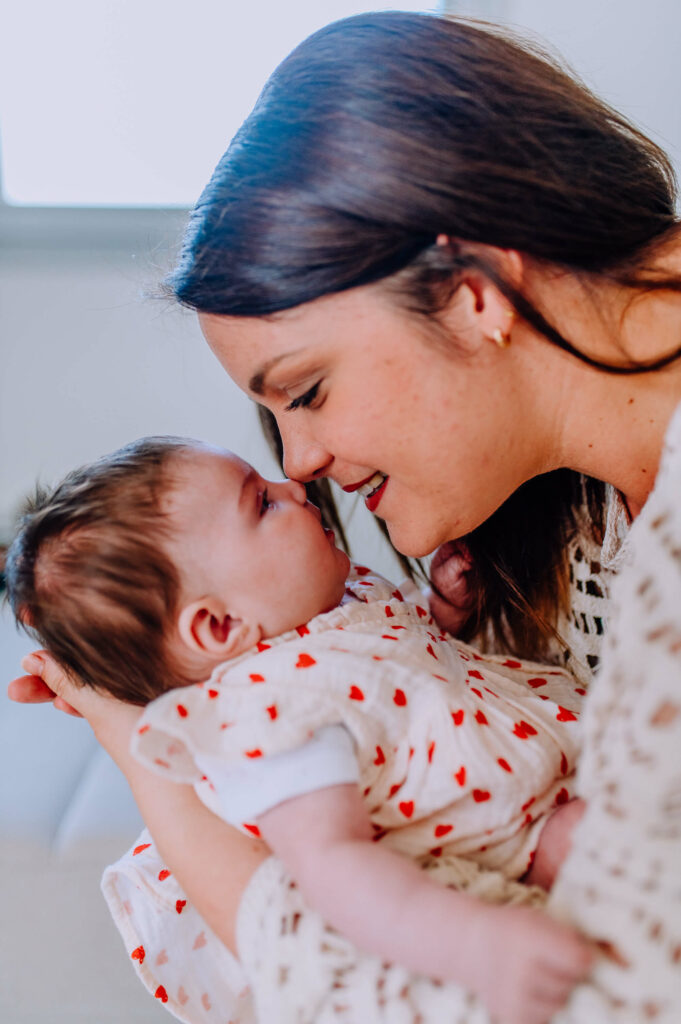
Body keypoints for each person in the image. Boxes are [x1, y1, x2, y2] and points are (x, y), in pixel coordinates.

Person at [9, 10, 681, 1023]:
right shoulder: (566, 521)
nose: (302, 464)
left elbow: (584, 1002)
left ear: (469, 292)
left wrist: (129, 738)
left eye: (308, 390)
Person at [6, 435, 591, 1024]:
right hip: (515, 847)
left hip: (545, 770)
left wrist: (443, 610)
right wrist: (479, 944)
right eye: (262, 503)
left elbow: (399, 684)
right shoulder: (270, 716)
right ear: (218, 625)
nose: (294, 486)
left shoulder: (334, 611)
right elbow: (335, 869)